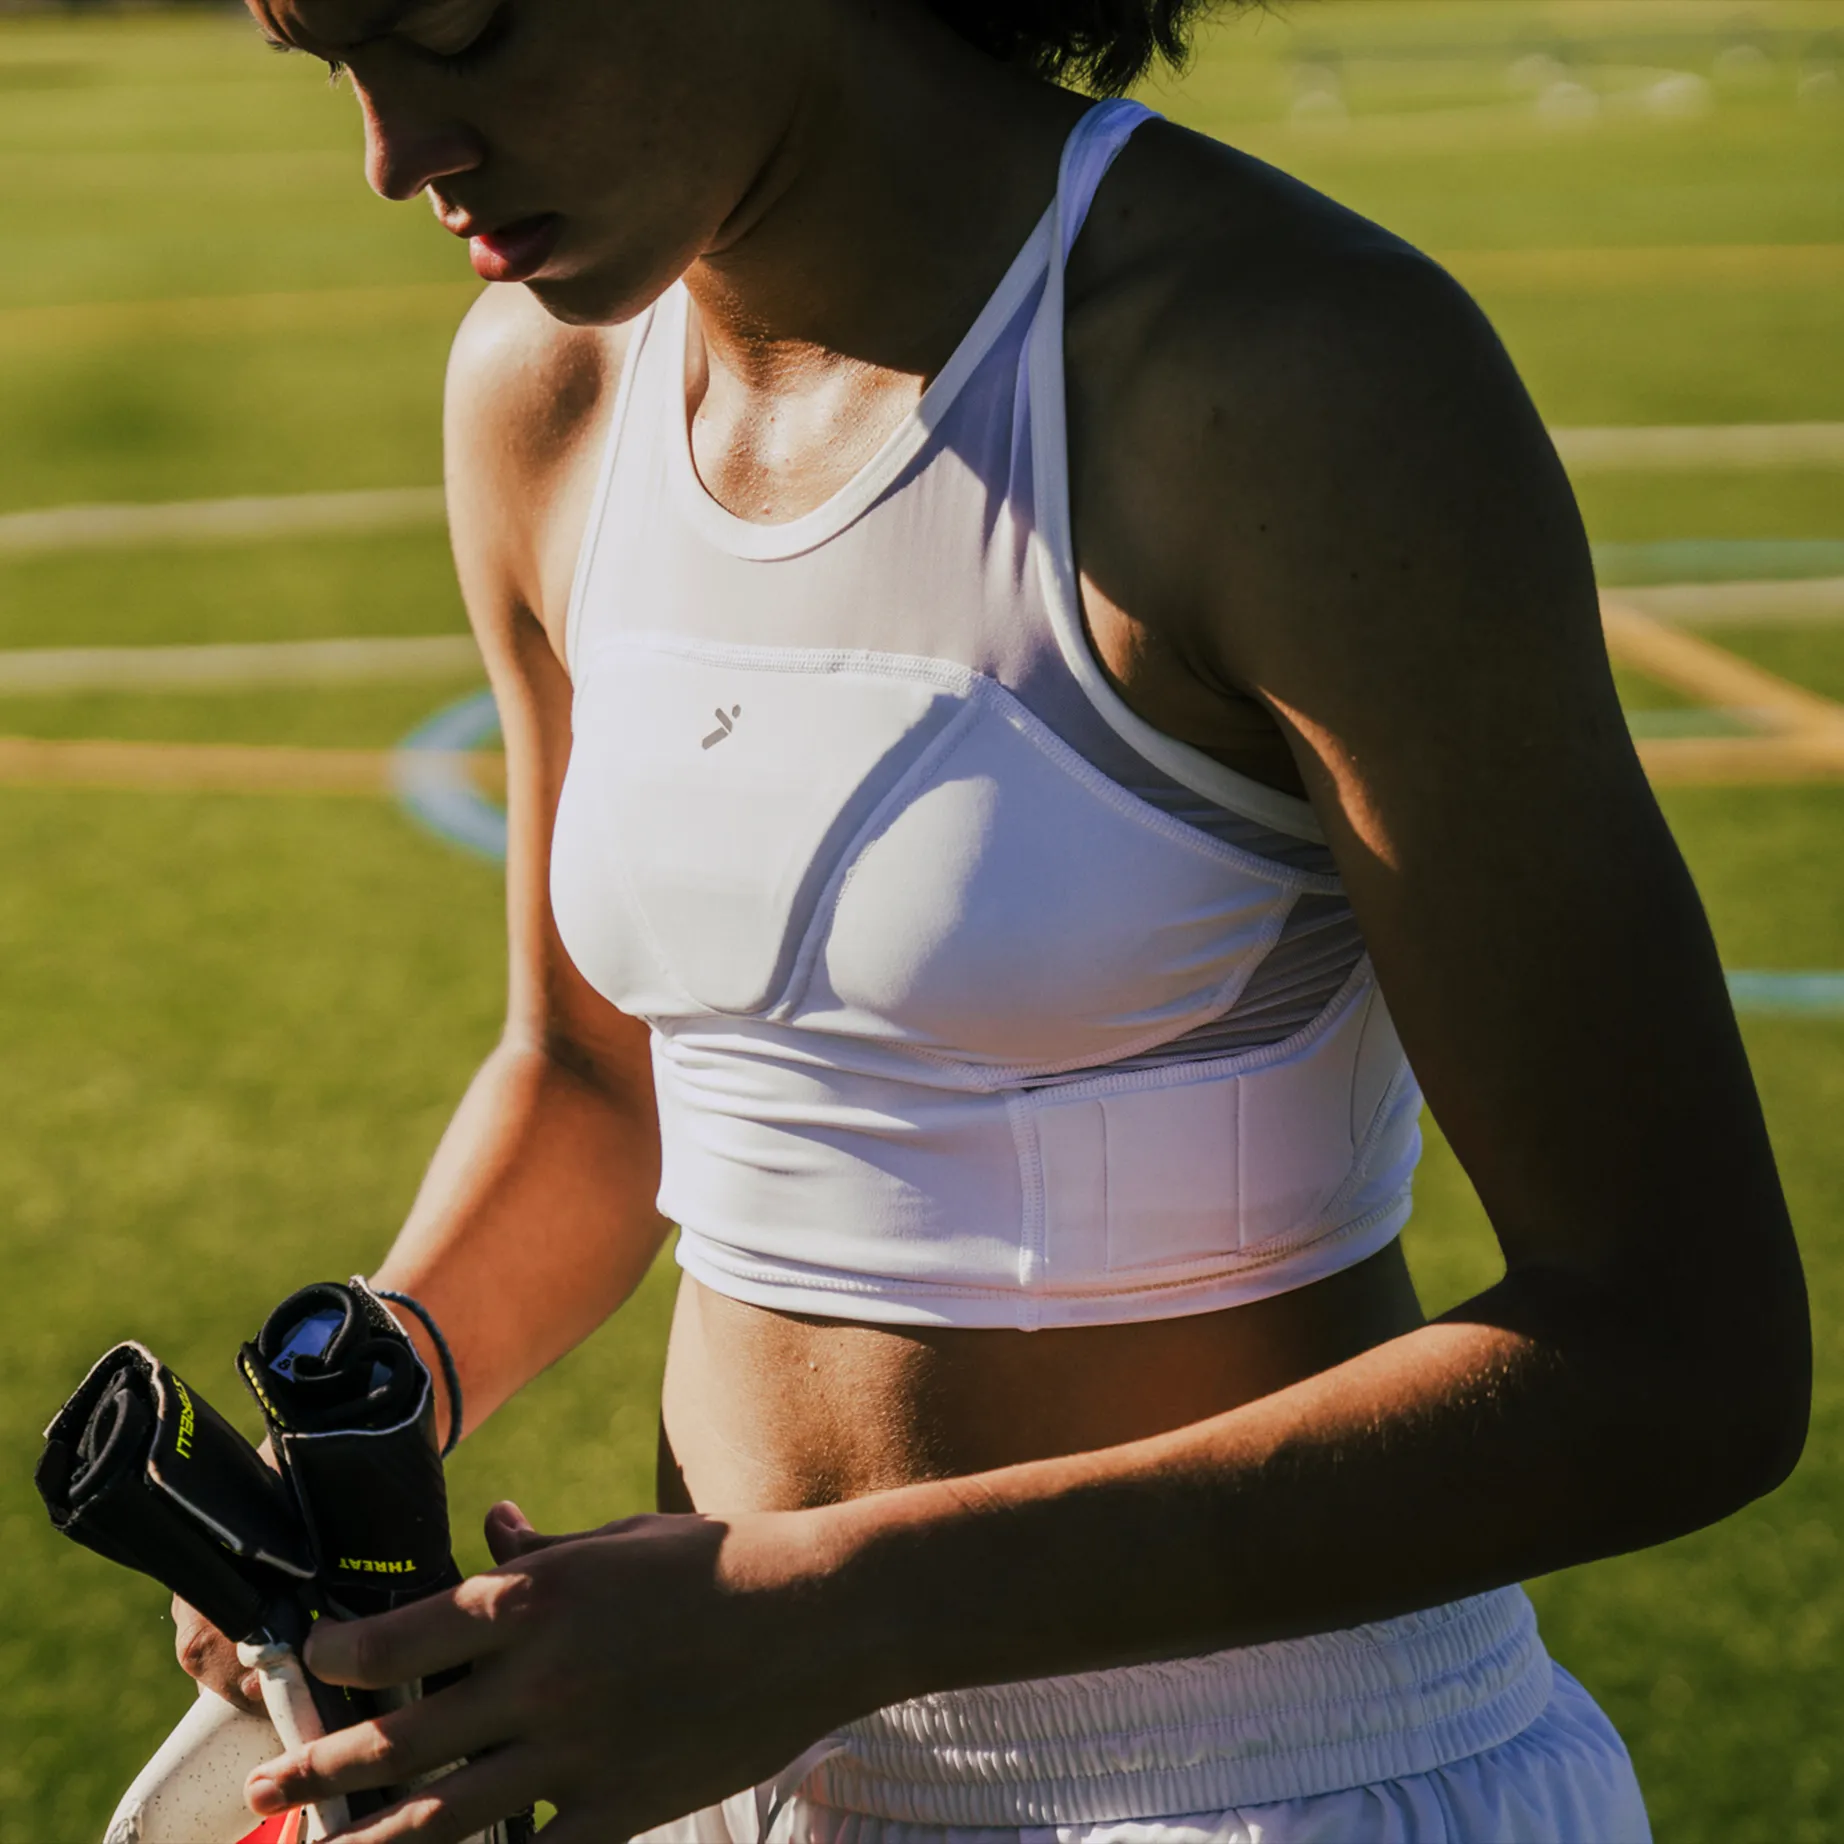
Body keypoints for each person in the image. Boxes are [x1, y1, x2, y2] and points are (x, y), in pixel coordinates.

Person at [172, 0, 1809, 1837]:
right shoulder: (541, 388)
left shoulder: (1292, 375)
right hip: (728, 1763)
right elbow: (592, 1082)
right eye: (337, 62)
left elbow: (1684, 1357)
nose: (395, 153)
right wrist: (375, 1392)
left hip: (1262, 1786)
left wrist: (834, 1610)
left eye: (458, 29)